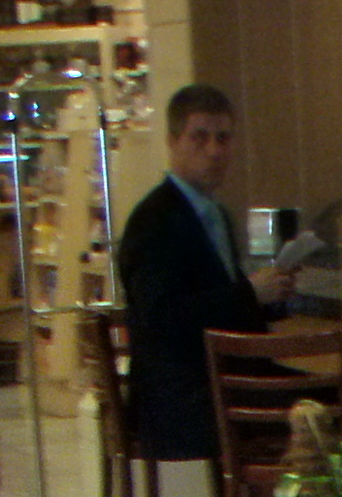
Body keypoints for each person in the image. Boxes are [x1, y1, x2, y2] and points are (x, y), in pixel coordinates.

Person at [114, 84, 288, 464]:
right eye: (199, 137)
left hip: (218, 380)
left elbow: (220, 304)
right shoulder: (153, 220)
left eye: (223, 138)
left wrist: (272, 297)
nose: (214, 151)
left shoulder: (215, 214)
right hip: (180, 397)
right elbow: (162, 317)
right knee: (324, 406)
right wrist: (248, 294)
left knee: (329, 397)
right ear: (172, 142)